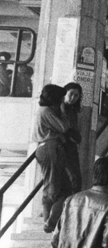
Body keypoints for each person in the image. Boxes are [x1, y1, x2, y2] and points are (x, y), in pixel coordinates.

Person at [35, 84, 71, 232]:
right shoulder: (47, 111)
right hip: (50, 147)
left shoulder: (42, 110)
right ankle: (49, 221)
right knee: (54, 186)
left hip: (46, 147)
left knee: (62, 187)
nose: (63, 100)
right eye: (62, 97)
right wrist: (63, 113)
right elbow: (63, 127)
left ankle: (50, 219)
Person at [62, 82, 83, 193]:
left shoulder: (72, 109)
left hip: (71, 144)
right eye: (71, 94)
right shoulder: (60, 108)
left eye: (76, 95)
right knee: (74, 177)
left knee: (75, 177)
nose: (73, 98)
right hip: (64, 144)